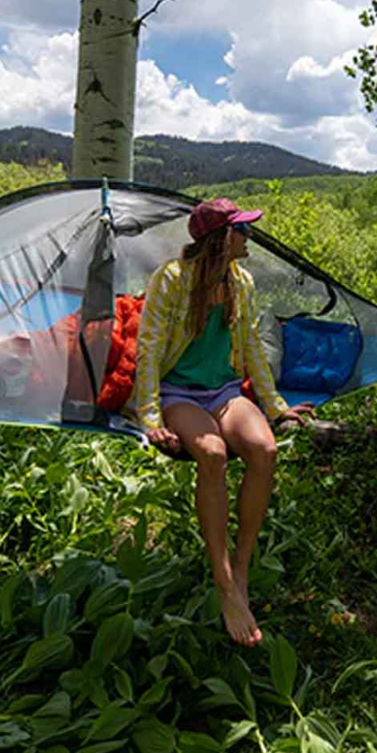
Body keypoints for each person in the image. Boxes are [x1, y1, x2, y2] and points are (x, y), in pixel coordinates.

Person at [134, 197, 313, 647]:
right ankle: (222, 580)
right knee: (212, 454)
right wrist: (151, 416)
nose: (249, 237)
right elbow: (150, 349)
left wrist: (275, 406)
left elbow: (250, 346)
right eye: (243, 230)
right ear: (221, 238)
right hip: (180, 392)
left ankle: (242, 565)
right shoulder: (173, 279)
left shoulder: (240, 281)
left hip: (224, 392)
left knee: (265, 449)